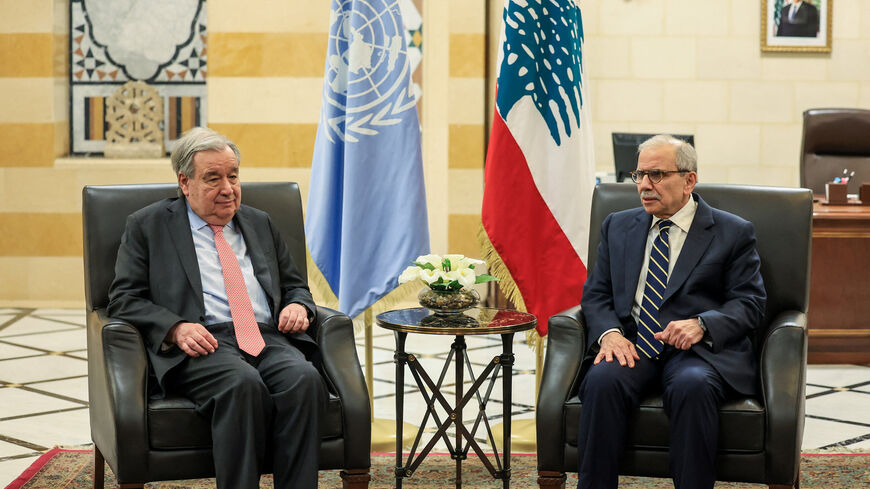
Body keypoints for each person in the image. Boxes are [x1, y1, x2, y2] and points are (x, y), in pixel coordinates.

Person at [107, 127, 325, 489]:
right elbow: (123, 299)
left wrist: (299, 306)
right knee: (242, 385)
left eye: (233, 176)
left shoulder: (259, 221)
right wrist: (176, 328)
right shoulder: (148, 226)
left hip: (263, 336)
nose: (228, 188)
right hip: (204, 341)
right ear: (185, 182)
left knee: (305, 380)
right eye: (213, 178)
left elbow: (294, 285)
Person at [576, 135, 766, 489]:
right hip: (633, 345)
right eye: (639, 175)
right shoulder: (618, 225)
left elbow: (750, 303)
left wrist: (703, 325)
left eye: (657, 175)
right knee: (601, 380)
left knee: (692, 386)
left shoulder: (732, 232)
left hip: (695, 351)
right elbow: (597, 294)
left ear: (689, 180)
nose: (645, 186)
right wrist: (610, 333)